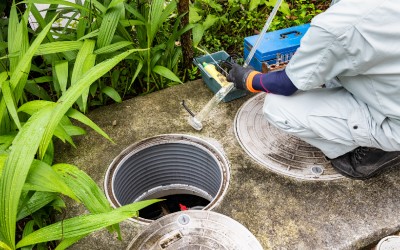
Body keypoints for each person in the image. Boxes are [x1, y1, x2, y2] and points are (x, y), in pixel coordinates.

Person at [227, 0, 400, 180]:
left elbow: (285, 84)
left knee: (276, 106)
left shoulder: (338, 24)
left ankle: (373, 149)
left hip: (394, 120)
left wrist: (248, 79)